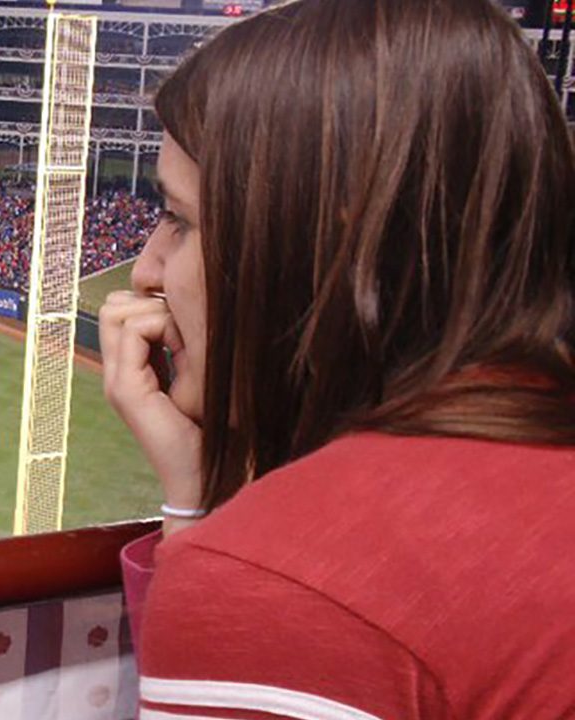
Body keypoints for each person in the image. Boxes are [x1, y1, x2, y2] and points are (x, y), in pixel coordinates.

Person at [100, 0, 575, 717]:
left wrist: (222, 546)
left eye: (182, 220)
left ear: (323, 246)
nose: (147, 272)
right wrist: (198, 494)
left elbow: (303, 596)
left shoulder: (283, 582)